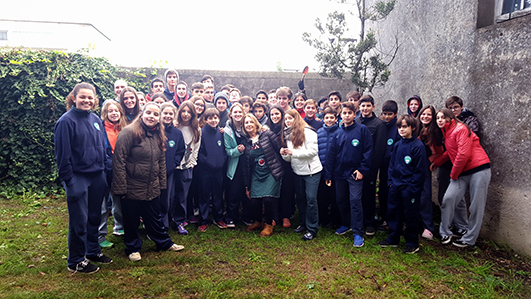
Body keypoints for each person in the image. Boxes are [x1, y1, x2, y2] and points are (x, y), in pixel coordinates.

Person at [112, 102, 185, 262]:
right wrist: (121, 188)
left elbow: (161, 161)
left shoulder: (158, 134)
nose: (152, 117)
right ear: (142, 114)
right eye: (149, 113)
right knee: (131, 220)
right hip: (132, 186)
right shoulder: (128, 132)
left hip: (151, 186)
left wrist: (161, 184)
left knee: (154, 218)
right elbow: (119, 161)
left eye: (155, 114)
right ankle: (133, 248)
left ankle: (163, 243)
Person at [54, 82, 113, 274]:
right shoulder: (66, 121)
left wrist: (104, 169)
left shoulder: (95, 119)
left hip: (97, 176)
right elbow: (62, 155)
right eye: (83, 97)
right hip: (78, 178)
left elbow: (102, 147)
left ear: (94, 100)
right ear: (74, 98)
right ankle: (76, 260)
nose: (86, 100)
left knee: (94, 217)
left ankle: (93, 251)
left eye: (90, 98)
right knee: (79, 220)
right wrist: (69, 180)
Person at [431, 108, 491, 248]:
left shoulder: (461, 129)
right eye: (437, 118)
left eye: (442, 117)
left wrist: (453, 175)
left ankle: (469, 239)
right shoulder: (447, 132)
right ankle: (445, 232)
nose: (439, 120)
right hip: (462, 172)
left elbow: (463, 154)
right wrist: (437, 162)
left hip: (479, 170)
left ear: (450, 118)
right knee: (448, 199)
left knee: (476, 205)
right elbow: (450, 151)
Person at [324, 102, 373, 247]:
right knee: (341, 200)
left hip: (355, 173)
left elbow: (368, 151)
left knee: (355, 201)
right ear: (341, 115)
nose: (346, 116)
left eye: (349, 113)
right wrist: (328, 175)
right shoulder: (338, 133)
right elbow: (331, 155)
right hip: (339, 173)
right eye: (344, 113)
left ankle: (357, 232)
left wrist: (362, 170)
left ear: (354, 114)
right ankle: (346, 223)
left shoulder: (362, 130)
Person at [378, 115, 427, 254]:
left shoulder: (418, 146)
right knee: (393, 212)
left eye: (405, 127)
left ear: (413, 128)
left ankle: (412, 242)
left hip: (409, 188)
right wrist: (390, 183)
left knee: (410, 214)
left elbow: (420, 171)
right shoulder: (398, 144)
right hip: (395, 186)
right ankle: (393, 238)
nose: (401, 130)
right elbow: (392, 165)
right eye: (399, 127)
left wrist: (412, 188)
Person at [281, 110, 323, 241]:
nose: (287, 121)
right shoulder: (288, 134)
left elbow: (313, 152)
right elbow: (290, 158)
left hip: (312, 171)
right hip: (297, 171)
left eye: (290, 118)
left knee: (311, 199)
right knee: (300, 198)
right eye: (286, 119)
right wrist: (284, 154)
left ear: (297, 118)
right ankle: (303, 223)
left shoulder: (308, 132)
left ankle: (312, 228)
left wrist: (292, 152)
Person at [244, 115, 284, 237]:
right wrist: (247, 186)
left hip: (271, 171)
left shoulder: (267, 134)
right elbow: (245, 166)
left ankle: (268, 224)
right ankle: (258, 222)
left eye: (251, 121)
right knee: (255, 200)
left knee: (268, 199)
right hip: (256, 173)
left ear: (256, 124)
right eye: (246, 123)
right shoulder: (245, 142)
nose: (249, 124)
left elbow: (280, 149)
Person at [355, 95, 386, 235]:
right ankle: (357, 221)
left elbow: (379, 149)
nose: (365, 108)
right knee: (356, 195)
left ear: (373, 107)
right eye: (363, 105)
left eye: (368, 105)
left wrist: (372, 170)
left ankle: (369, 223)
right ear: (359, 107)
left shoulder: (379, 124)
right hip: (355, 166)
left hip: (370, 168)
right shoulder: (355, 121)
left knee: (368, 195)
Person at [98, 100, 128, 248]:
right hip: (104, 170)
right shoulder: (99, 129)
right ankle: (100, 235)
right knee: (102, 205)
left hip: (120, 170)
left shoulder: (125, 128)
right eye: (110, 111)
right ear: (105, 113)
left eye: (116, 110)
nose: (114, 113)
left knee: (118, 201)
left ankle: (119, 227)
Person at [172, 102, 201, 234]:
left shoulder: (196, 129)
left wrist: (192, 164)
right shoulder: (175, 127)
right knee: (170, 195)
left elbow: (195, 149)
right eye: (183, 111)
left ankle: (179, 221)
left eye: (189, 112)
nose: (185, 114)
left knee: (182, 196)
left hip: (187, 167)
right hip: (173, 167)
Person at [197, 108, 228, 231]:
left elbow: (224, 150)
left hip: (218, 170)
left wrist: (222, 161)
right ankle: (203, 220)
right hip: (205, 170)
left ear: (219, 119)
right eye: (210, 118)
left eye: (215, 118)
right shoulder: (201, 132)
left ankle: (218, 218)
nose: (213, 120)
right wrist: (207, 162)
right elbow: (199, 152)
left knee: (218, 195)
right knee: (204, 195)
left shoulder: (221, 132)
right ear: (206, 119)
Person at [417, 106, 443, 240]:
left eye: (429, 115)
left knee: (424, 197)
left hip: (424, 168)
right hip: (411, 166)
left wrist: (430, 162)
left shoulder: (434, 132)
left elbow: (439, 152)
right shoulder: (415, 127)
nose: (425, 117)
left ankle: (428, 227)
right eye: (423, 114)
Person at [159, 103, 185, 232]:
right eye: (165, 113)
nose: (168, 116)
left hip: (169, 172)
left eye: (170, 114)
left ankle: (164, 225)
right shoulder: (155, 130)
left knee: (166, 199)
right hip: (152, 171)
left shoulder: (177, 133)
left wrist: (174, 163)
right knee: (154, 199)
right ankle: (153, 224)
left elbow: (181, 150)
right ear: (160, 114)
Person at [224, 103, 251, 227]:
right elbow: (228, 151)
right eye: (235, 112)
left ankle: (247, 216)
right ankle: (231, 217)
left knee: (248, 191)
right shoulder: (227, 130)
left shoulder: (248, 126)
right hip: (235, 165)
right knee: (234, 192)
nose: (238, 114)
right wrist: (237, 151)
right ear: (230, 114)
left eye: (240, 112)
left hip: (248, 164)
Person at [377, 100, 401, 231]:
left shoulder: (398, 128)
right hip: (382, 166)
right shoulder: (381, 126)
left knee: (392, 193)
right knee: (382, 192)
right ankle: (383, 217)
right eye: (385, 114)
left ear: (396, 114)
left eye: (390, 114)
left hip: (393, 167)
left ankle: (392, 220)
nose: (387, 117)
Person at [316, 107, 341, 227]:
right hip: (321, 169)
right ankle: (323, 219)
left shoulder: (340, 132)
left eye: (332, 117)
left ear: (336, 119)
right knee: (322, 196)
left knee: (335, 197)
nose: (329, 120)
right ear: (323, 119)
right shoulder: (319, 132)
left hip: (335, 170)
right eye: (327, 117)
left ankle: (335, 220)